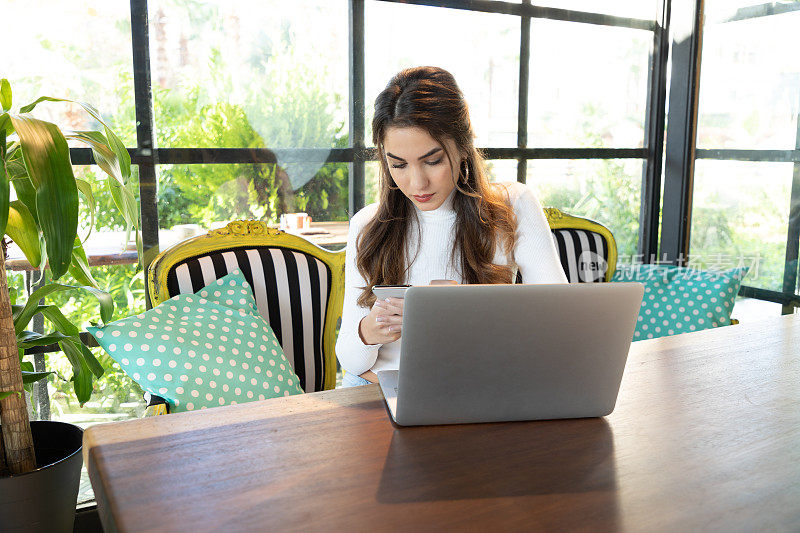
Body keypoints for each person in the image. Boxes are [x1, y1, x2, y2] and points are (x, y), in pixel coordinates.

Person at [336, 66, 567, 388]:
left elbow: (560, 318)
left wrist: (465, 311)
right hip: (374, 387)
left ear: (462, 147)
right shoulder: (368, 225)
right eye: (398, 165)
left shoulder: (513, 205)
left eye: (433, 161)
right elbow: (350, 359)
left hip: (475, 386)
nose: (417, 183)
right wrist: (369, 330)